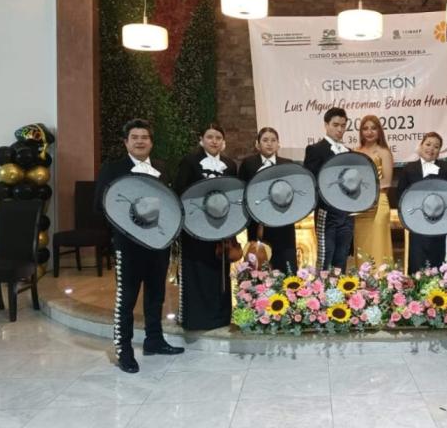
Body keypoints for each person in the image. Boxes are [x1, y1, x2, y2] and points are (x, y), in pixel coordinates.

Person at [94, 118, 184, 374]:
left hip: (158, 243)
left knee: (156, 294)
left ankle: (154, 340)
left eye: (144, 137)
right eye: (135, 137)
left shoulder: (162, 168)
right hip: (129, 245)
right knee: (127, 298)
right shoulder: (112, 169)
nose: (140, 141)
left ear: (151, 142)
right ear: (126, 142)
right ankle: (124, 350)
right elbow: (100, 207)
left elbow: (170, 204)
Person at [173, 123, 237, 331]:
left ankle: (219, 317)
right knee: (197, 270)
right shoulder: (190, 162)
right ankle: (197, 319)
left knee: (219, 271)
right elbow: (180, 193)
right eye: (210, 137)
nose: (214, 141)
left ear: (223, 141)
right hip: (195, 229)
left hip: (221, 229)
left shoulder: (229, 164)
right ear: (201, 139)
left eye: (218, 137)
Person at [397, 132, 447, 273]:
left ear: (439, 151)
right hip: (417, 224)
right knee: (417, 259)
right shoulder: (409, 169)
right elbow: (400, 195)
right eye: (428, 144)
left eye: (436, 146)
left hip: (440, 224)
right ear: (421, 145)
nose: (431, 149)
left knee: (438, 260)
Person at [238, 127, 298, 273]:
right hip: (258, 225)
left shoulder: (287, 164)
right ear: (257, 144)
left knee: (286, 263)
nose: (269, 144)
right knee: (259, 264)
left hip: (284, 222)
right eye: (265, 140)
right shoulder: (248, 164)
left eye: (273, 140)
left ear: (278, 144)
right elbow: (242, 191)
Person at [304, 108, 354, 271]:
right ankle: (322, 295)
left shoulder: (349, 152)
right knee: (326, 256)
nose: (340, 129)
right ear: (326, 125)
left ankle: (340, 295)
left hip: (346, 212)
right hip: (327, 211)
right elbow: (310, 181)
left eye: (343, 125)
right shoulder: (315, 149)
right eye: (335, 125)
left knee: (342, 256)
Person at [353, 115, 394, 267]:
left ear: (379, 131)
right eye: (365, 128)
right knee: (362, 244)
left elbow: (387, 182)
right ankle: (364, 284)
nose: (369, 132)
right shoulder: (356, 152)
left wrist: (368, 191)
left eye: (373, 128)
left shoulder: (383, 152)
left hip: (379, 202)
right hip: (360, 205)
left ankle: (383, 282)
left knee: (379, 243)